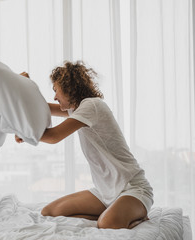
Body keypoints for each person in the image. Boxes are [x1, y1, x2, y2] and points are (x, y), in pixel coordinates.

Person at [17, 61, 153, 229]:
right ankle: (110, 214)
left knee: (107, 224)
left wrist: (23, 132)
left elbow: (53, 136)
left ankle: (133, 217)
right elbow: (42, 107)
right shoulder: (77, 109)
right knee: (48, 212)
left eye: (55, 90)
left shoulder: (92, 106)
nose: (54, 96)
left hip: (132, 188)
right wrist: (21, 95)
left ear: (69, 88)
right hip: (104, 192)